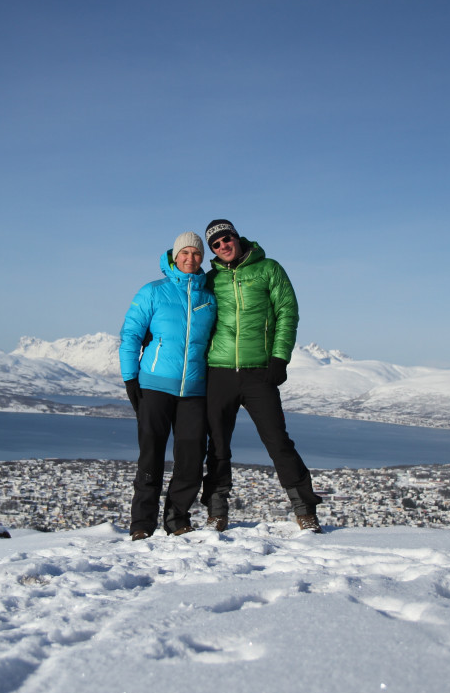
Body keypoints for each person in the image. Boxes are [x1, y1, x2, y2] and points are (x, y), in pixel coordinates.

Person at [200, 219, 324, 532]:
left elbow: (287, 311)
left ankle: (305, 509)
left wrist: (280, 358)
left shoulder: (269, 268)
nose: (223, 246)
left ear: (236, 238)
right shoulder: (211, 279)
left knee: (278, 441)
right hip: (219, 371)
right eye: (215, 244)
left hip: (259, 373)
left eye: (226, 239)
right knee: (216, 445)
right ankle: (217, 512)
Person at [119, 231, 217, 540]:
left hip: (195, 390)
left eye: (197, 253)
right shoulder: (153, 292)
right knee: (151, 457)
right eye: (185, 253)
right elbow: (131, 335)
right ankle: (141, 524)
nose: (190, 258)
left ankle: (177, 519)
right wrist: (130, 378)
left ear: (203, 258)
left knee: (190, 459)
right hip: (155, 388)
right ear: (174, 256)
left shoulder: (210, 297)